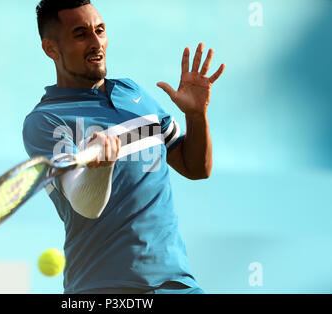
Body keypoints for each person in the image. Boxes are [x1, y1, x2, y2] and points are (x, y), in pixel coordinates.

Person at [23, 0, 225, 294]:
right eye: (81, 34)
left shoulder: (134, 94)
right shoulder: (46, 121)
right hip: (104, 288)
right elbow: (85, 204)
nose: (96, 43)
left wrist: (196, 116)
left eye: (100, 30)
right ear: (51, 48)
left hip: (178, 284)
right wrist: (100, 169)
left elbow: (196, 168)